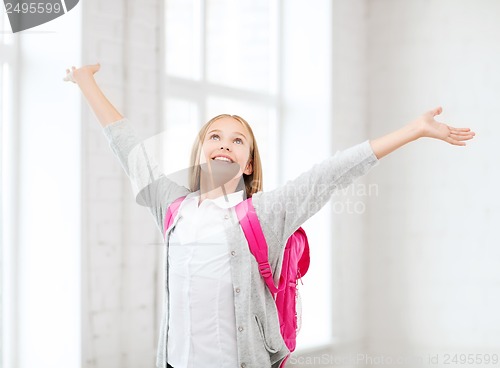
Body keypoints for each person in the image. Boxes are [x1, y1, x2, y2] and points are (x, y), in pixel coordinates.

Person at [64, 64, 475, 368]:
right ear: (201, 151)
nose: (224, 144)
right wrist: (87, 82)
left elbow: (330, 173)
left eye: (237, 140)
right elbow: (129, 148)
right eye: (215, 136)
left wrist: (412, 130)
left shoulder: (264, 213)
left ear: (247, 163)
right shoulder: (173, 208)